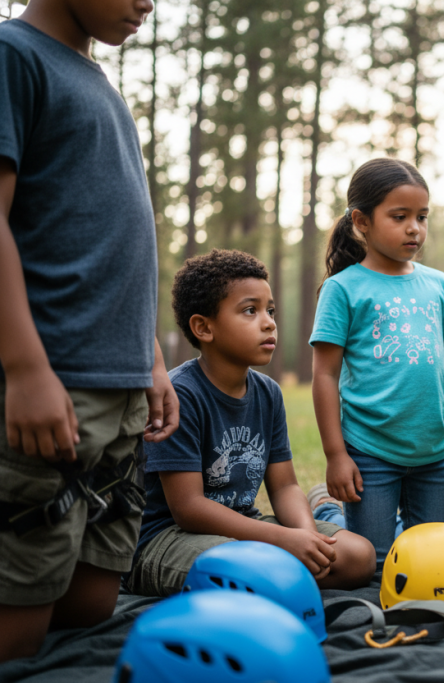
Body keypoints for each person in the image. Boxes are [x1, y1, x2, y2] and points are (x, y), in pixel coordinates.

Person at [0, 0, 180, 662]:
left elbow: (121, 239)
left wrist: (153, 363)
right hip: (52, 384)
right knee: (17, 632)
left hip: (121, 389)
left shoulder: (95, 76)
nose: (147, 4)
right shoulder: (14, 57)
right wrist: (24, 369)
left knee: (89, 604)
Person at [126, 250, 376, 597]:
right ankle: (276, 582)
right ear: (204, 327)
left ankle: (287, 570)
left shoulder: (268, 393)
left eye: (270, 310)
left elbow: (285, 486)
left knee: (359, 556)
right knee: (256, 573)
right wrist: (284, 540)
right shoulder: (181, 394)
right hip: (170, 539)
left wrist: (307, 536)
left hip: (246, 527)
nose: (269, 322)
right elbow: (189, 509)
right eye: (250, 310)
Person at [309, 158, 444, 567]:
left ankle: (331, 513)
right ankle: (326, 512)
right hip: (370, 452)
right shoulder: (343, 289)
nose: (414, 228)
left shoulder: (438, 284)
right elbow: (325, 375)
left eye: (421, 217)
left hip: (432, 452)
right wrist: (336, 455)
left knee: (432, 560)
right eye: (399, 217)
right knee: (373, 563)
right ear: (361, 221)